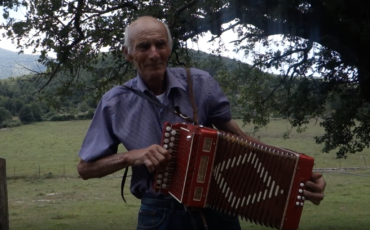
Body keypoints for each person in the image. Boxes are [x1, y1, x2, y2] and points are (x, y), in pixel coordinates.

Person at [77, 16, 326, 230]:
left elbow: (241, 140)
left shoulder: (199, 83)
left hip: (218, 209)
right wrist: (131, 157)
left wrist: (296, 177)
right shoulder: (114, 103)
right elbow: (85, 169)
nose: (154, 53)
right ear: (128, 53)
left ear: (169, 48)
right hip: (160, 215)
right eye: (143, 46)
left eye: (160, 44)